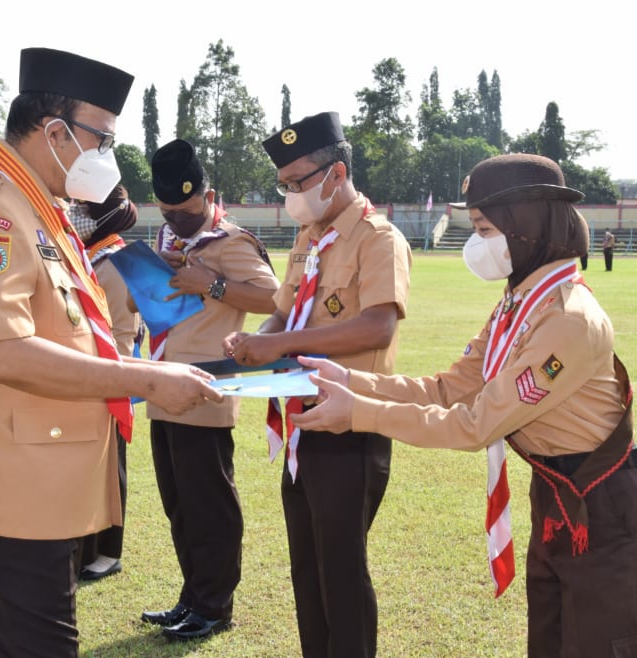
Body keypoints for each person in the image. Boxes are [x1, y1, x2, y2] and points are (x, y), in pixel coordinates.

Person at [291, 153, 637, 658]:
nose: (478, 245)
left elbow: (473, 424)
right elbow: (449, 389)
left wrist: (358, 412)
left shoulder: (568, 319)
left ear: (526, 226)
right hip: (557, 496)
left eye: (486, 229)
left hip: (603, 514)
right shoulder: (519, 305)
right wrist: (351, 379)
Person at [0, 47, 222, 658]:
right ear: (55, 132)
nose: (107, 156)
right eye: (102, 139)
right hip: (9, 494)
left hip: (38, 489)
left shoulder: (42, 209)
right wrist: (147, 379)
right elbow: (4, 352)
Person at [223, 111, 412, 658]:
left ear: (337, 172)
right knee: (307, 568)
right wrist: (254, 340)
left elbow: (380, 324)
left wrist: (279, 344)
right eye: (285, 185)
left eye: (300, 180)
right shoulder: (309, 236)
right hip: (302, 422)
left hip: (352, 424)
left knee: (341, 572)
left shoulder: (378, 238)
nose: (293, 194)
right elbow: (283, 313)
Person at [139, 139, 280, 641]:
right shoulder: (169, 241)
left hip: (205, 390)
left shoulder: (231, 242)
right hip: (162, 385)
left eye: (185, 208)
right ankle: (192, 598)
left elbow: (272, 298)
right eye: (166, 210)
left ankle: (215, 606)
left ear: (208, 194)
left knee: (208, 506)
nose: (175, 219)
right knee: (179, 504)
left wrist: (213, 285)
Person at [69, 184, 143, 581]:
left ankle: (107, 551)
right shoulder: (91, 256)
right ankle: (88, 546)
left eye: (82, 207)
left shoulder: (113, 261)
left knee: (109, 465)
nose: (75, 212)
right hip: (89, 372)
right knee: (89, 466)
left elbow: (121, 334)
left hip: (109, 373)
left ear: (102, 218)